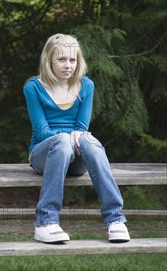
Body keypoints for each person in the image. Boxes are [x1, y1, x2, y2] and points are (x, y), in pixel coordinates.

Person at [23, 33, 130, 244]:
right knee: (63, 142)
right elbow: (43, 132)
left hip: (77, 156)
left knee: (90, 142)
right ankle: (46, 223)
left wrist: (77, 139)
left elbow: (82, 128)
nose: (68, 65)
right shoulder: (33, 87)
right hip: (43, 155)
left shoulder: (86, 85)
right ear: (49, 60)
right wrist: (68, 138)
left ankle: (115, 220)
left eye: (72, 60)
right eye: (61, 59)